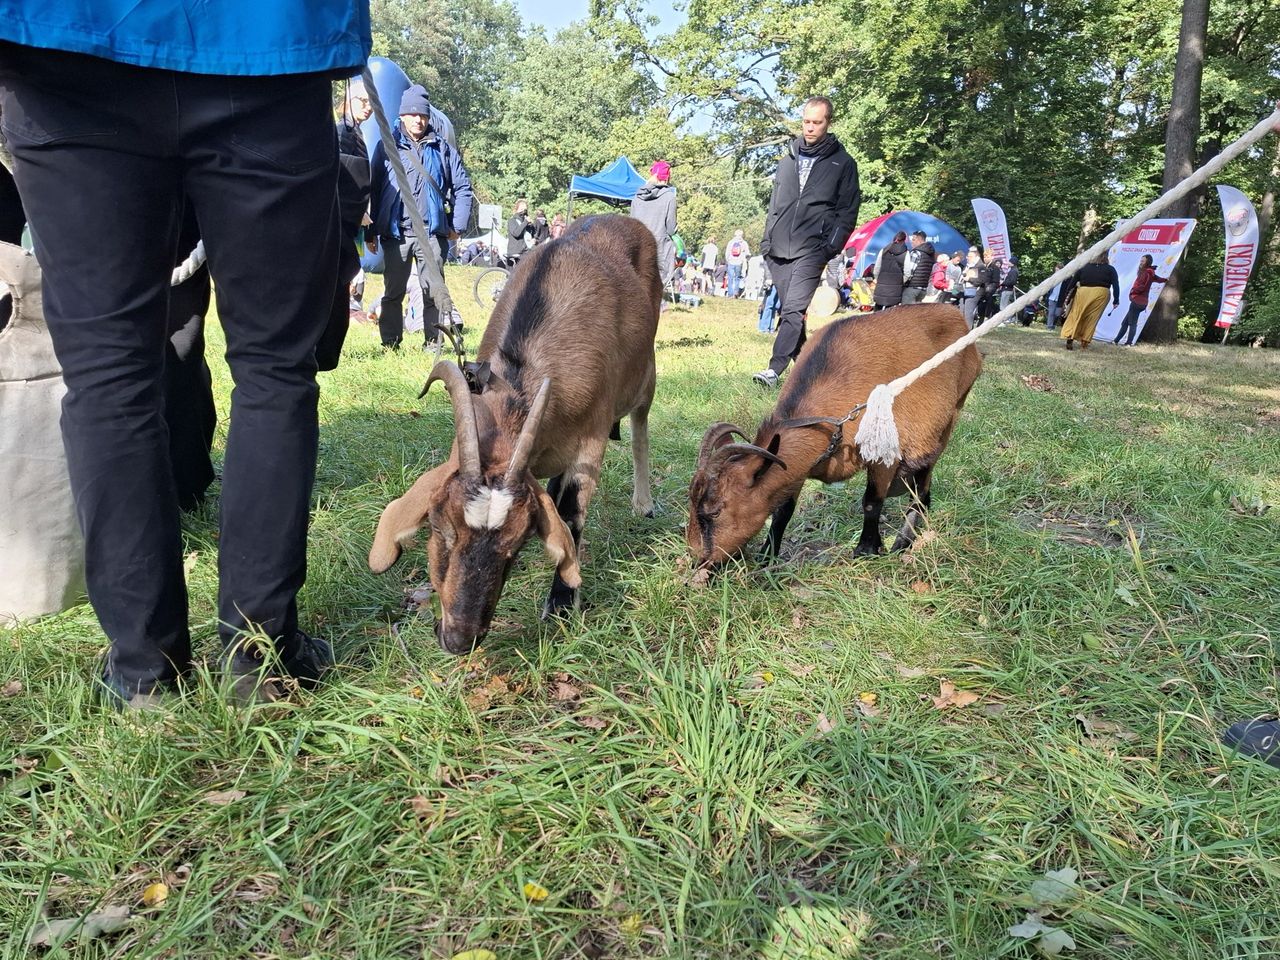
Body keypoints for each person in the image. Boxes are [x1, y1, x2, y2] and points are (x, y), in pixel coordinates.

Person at [0, 3, 371, 709]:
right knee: (273, 371)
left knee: (107, 376)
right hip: (271, 44)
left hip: (68, 43)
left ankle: (145, 672)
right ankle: (260, 658)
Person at [751, 97, 860, 387]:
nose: (810, 128)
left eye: (817, 122)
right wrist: (766, 241)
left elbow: (847, 210)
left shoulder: (843, 163)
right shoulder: (787, 158)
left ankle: (774, 371)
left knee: (793, 310)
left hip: (813, 248)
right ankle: (811, 372)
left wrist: (831, 246)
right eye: (806, 122)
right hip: (777, 249)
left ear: (828, 122)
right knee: (791, 312)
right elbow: (775, 203)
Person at [368, 85, 473, 350]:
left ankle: (433, 342)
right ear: (402, 116)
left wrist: (457, 225)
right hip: (397, 233)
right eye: (413, 114)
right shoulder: (387, 147)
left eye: (423, 115)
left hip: (432, 233)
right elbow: (374, 189)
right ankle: (390, 344)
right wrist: (370, 231)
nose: (418, 119)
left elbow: (462, 187)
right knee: (393, 293)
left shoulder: (443, 149)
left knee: (432, 292)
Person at [316, 77, 372, 371]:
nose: (369, 108)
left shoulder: (356, 135)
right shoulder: (341, 134)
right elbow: (338, 182)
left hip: (350, 225)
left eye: (371, 103)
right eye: (363, 101)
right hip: (336, 225)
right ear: (348, 100)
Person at [629, 160, 678, 290]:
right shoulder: (669, 197)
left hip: (639, 244)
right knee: (658, 279)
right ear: (667, 177)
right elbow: (671, 228)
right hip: (659, 245)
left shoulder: (637, 196)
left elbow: (631, 223)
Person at [1059, 253, 1120, 350]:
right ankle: (1084, 342)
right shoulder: (1110, 269)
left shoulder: (1083, 267)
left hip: (1083, 292)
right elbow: (1116, 285)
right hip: (1101, 294)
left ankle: (1070, 336)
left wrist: (1067, 296)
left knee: (1076, 314)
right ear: (1105, 257)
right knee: (1092, 318)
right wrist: (1116, 300)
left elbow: (1073, 282)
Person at [1113, 254, 1167, 346]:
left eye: (1143, 261)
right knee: (1125, 322)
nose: (1140, 262)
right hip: (1141, 302)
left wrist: (1133, 292)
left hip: (1137, 301)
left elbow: (1142, 286)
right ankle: (1116, 341)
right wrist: (1165, 279)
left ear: (1147, 262)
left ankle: (1128, 343)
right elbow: (1158, 279)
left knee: (1132, 323)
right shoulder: (1150, 272)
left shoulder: (1146, 272)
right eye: (1141, 260)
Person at [872, 231, 908, 310]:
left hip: (881, 285)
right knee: (890, 313)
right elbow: (907, 272)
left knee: (877, 309)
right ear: (904, 240)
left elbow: (876, 268)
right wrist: (901, 282)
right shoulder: (906, 253)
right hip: (895, 288)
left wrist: (879, 279)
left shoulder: (884, 250)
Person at [900, 229, 935, 304]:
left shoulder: (916, 252)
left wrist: (902, 283)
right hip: (923, 289)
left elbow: (909, 271)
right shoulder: (930, 254)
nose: (911, 242)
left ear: (919, 240)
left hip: (911, 288)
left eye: (913, 239)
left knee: (906, 313)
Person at [960, 247, 983, 327]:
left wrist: (969, 279)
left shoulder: (980, 266)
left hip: (974, 291)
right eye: (967, 256)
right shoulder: (967, 266)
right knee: (961, 310)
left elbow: (980, 281)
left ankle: (968, 331)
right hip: (965, 290)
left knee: (968, 312)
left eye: (969, 256)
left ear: (975, 257)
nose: (967, 258)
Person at [725, 229, 751, 298]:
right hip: (739, 263)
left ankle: (730, 293)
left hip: (731, 261)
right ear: (742, 235)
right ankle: (736, 292)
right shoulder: (744, 243)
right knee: (737, 278)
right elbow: (747, 253)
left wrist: (728, 260)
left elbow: (727, 253)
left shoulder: (731, 242)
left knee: (730, 278)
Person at [998, 255, 1020, 320]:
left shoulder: (1014, 271)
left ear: (1013, 263)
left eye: (1009, 262)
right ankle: (1009, 318)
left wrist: (1003, 283)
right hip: (1007, 289)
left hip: (1007, 289)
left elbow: (1012, 282)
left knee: (1003, 306)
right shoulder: (1012, 270)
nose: (1008, 263)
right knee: (1006, 305)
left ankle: (1003, 320)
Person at [1044, 263, 1065, 330]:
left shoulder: (1065, 279)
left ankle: (1053, 325)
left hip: (1060, 299)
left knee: (1057, 314)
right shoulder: (1052, 278)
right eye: (1055, 270)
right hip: (1052, 298)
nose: (1056, 272)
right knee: (1051, 313)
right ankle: (1049, 327)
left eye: (1058, 270)